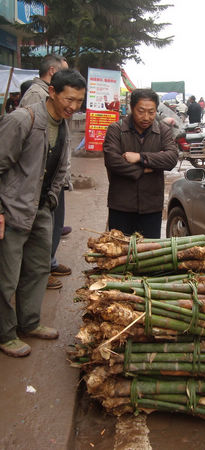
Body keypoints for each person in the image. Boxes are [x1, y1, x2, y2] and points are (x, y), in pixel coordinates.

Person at [0, 69, 86, 358]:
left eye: (78, 101)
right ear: (52, 92)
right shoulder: (23, 119)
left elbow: (61, 166)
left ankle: (29, 323)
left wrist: (50, 200)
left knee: (37, 269)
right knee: (7, 277)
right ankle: (5, 333)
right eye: (69, 99)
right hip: (12, 212)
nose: (73, 106)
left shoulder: (62, 124)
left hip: (41, 210)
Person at [20, 54, 71, 290]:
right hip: (37, 180)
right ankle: (39, 269)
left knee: (53, 223)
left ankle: (47, 263)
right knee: (38, 231)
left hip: (51, 179)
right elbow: (30, 140)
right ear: (52, 71)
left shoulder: (55, 98)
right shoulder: (35, 94)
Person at [103, 88, 178, 238]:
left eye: (151, 112)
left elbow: (171, 158)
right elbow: (113, 162)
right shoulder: (115, 130)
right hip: (121, 205)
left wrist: (140, 157)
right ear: (132, 108)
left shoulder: (163, 131)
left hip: (151, 207)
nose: (146, 117)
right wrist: (146, 169)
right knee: (119, 252)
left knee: (148, 254)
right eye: (141, 111)